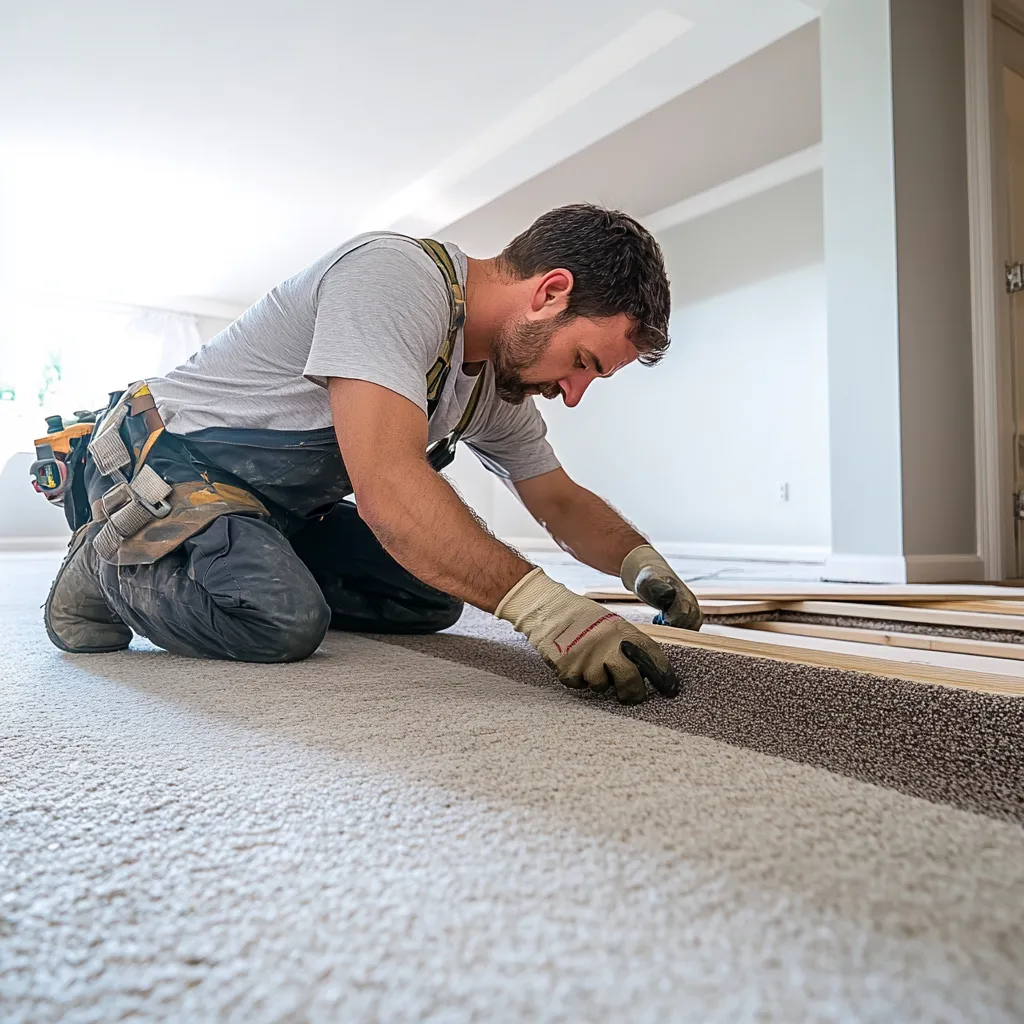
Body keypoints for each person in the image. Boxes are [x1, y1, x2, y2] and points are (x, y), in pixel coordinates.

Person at [44, 204, 703, 705]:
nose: (574, 392)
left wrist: (641, 565)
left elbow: (557, 499)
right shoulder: (395, 278)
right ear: (550, 292)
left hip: (274, 507)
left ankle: (253, 558)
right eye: (583, 362)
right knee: (285, 622)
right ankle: (105, 568)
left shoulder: (492, 386)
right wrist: (556, 617)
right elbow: (388, 489)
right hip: (161, 463)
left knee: (430, 600)